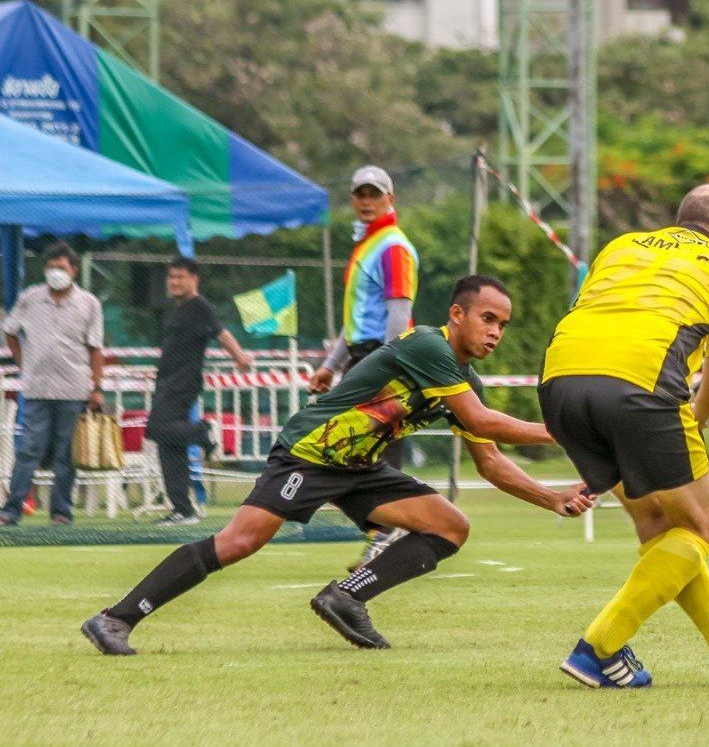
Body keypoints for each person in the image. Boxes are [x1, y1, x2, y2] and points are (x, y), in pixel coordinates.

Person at [80, 275, 595, 656]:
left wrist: (550, 497)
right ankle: (115, 619)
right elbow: (486, 423)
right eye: (489, 319)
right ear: (457, 315)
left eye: (503, 324)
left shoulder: (462, 382)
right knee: (240, 542)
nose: (496, 332)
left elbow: (489, 461)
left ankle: (344, 600)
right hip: (311, 451)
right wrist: (568, 429)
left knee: (449, 526)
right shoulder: (428, 345)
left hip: (360, 469)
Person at [538, 184, 709, 688]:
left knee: (660, 527)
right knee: (704, 526)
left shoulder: (620, 246)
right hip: (639, 393)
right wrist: (689, 420)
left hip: (559, 384)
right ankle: (599, 646)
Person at [308, 165, 420, 566]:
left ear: (391, 199)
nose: (367, 201)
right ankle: (390, 527)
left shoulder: (392, 246)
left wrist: (384, 366)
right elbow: (355, 320)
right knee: (355, 448)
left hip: (383, 356)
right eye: (360, 194)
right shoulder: (367, 246)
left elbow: (398, 311)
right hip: (364, 355)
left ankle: (393, 528)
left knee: (366, 447)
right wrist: (330, 365)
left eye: (375, 194)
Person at [1, 243, 104, 526]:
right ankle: (11, 509)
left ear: (74, 269)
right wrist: (23, 363)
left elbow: (96, 349)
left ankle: (61, 512)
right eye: (51, 268)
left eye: (61, 268)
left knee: (65, 454)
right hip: (37, 389)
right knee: (29, 450)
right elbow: (10, 332)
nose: (55, 273)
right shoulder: (29, 299)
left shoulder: (89, 303)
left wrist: (97, 388)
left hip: (74, 389)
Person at [145, 257, 253, 526]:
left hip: (182, 383)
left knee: (156, 429)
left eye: (180, 277)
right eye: (171, 277)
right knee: (169, 444)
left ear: (195, 279)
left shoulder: (199, 306)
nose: (174, 282)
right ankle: (183, 509)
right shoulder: (179, 309)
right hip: (167, 381)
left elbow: (221, 333)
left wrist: (239, 356)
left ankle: (203, 431)